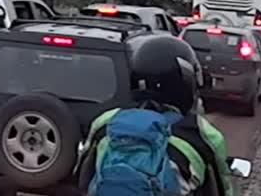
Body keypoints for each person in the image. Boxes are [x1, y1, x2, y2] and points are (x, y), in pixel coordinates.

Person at [75, 34, 233, 196]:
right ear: (186, 81)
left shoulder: (106, 121)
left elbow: (82, 178)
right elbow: (222, 189)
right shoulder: (203, 133)